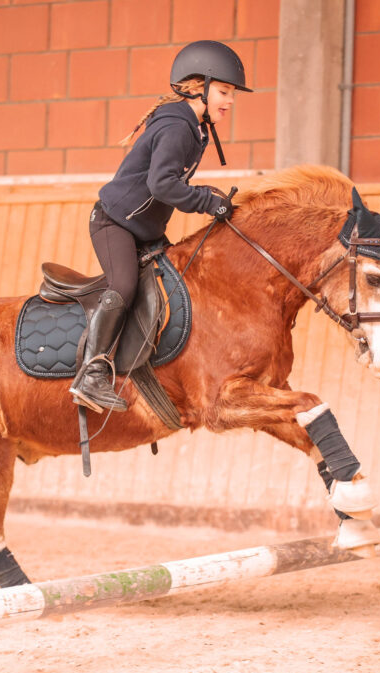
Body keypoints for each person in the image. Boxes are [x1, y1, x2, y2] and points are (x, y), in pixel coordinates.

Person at [69, 40, 252, 413]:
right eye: (224, 92)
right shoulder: (177, 127)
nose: (229, 101)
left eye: (231, 94)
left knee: (173, 283)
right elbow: (163, 185)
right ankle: (90, 374)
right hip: (114, 224)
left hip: (145, 230)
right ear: (198, 88)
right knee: (123, 284)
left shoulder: (193, 127)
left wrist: (209, 197)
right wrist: (206, 200)